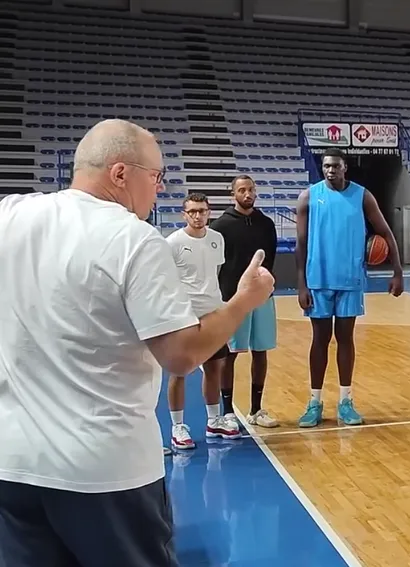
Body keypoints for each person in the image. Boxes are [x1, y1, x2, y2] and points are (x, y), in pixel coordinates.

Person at [0, 119, 274, 567]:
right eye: (156, 175)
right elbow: (181, 355)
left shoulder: (10, 214)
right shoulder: (134, 237)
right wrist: (244, 300)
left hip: (13, 465)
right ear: (120, 173)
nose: (160, 187)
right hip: (106, 472)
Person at [295, 148, 403, 428]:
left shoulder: (362, 196)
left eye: (335, 166)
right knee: (319, 340)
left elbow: (386, 233)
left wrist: (397, 271)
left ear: (345, 167)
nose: (330, 170)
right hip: (318, 280)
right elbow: (301, 243)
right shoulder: (308, 196)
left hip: (350, 280)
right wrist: (301, 283)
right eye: (326, 166)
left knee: (346, 339)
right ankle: (314, 402)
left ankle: (345, 401)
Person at [164, 192, 240, 450]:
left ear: (209, 213)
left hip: (212, 314)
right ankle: (177, 426)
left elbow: (214, 274)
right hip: (184, 316)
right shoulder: (172, 243)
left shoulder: (217, 239)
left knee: (214, 368)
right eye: (192, 211)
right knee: (179, 371)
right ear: (184, 214)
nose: (198, 216)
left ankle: (213, 420)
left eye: (202, 211)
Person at [210, 174, 279, 428]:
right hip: (233, 299)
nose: (247, 194)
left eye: (250, 189)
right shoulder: (220, 226)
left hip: (262, 298)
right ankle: (228, 411)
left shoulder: (266, 224)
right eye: (241, 190)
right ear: (233, 195)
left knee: (261, 352)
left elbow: (270, 259)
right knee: (230, 354)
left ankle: (256, 409)